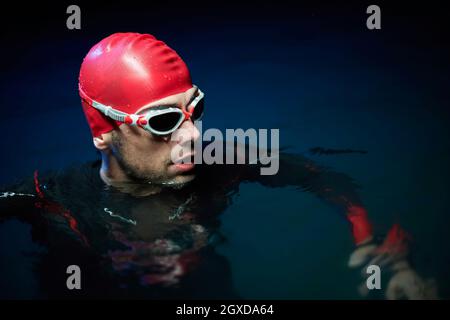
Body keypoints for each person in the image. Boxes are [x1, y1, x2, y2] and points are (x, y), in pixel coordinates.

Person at [0, 33, 437, 299]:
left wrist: (380, 254)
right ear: (103, 131)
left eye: (195, 109)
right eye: (164, 122)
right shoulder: (48, 197)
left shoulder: (223, 161)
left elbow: (324, 177)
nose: (192, 136)